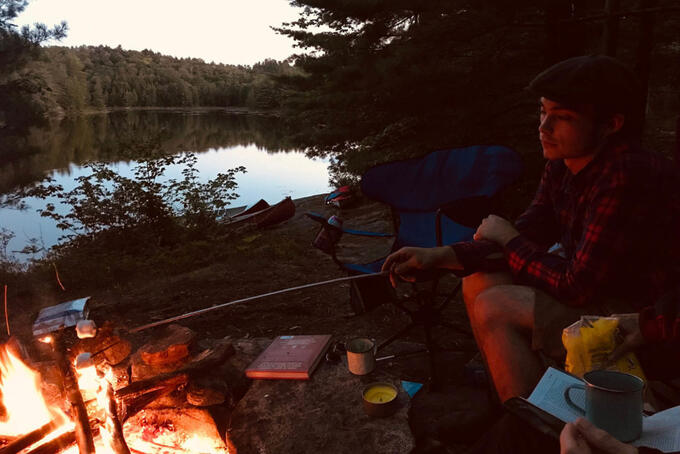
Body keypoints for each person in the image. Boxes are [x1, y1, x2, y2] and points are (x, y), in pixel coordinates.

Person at [382, 55, 680, 402]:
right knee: (477, 278)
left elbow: (576, 286)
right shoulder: (564, 164)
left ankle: (531, 429)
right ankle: (513, 399)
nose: (544, 127)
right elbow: (532, 232)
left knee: (497, 304)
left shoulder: (626, 176)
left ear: (611, 124)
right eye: (543, 112)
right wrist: (443, 255)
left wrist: (509, 238)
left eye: (563, 117)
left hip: (645, 319)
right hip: (602, 291)